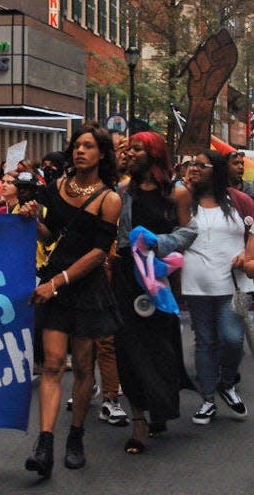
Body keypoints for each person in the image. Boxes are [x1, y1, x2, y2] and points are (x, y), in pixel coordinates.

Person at [21, 122, 121, 478]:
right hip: (54, 286)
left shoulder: (110, 198)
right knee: (51, 364)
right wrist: (32, 220)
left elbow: (98, 254)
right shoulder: (56, 187)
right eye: (77, 145)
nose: (80, 151)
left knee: (81, 368)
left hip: (85, 290)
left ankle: (75, 436)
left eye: (89, 146)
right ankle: (45, 444)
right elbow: (51, 238)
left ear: (102, 154)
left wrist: (58, 282)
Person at [111, 131, 195, 454]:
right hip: (127, 277)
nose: (129, 153)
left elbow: (189, 232)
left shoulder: (177, 193)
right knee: (128, 348)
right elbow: (120, 235)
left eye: (137, 149)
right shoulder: (123, 190)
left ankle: (160, 405)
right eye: (128, 148)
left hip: (159, 279)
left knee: (160, 348)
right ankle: (139, 421)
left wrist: (158, 244)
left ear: (154, 153)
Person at [181, 149, 252, 425]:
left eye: (202, 165)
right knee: (206, 341)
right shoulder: (185, 200)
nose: (195, 169)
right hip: (196, 285)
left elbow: (253, 234)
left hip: (235, 286)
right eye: (192, 164)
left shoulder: (241, 202)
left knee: (233, 338)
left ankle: (226, 383)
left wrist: (246, 256)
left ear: (217, 169)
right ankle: (208, 399)